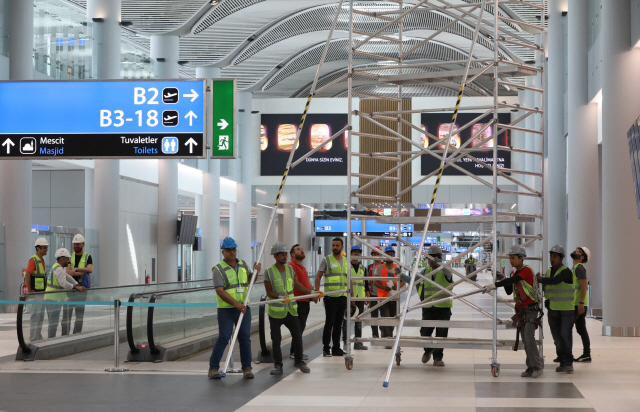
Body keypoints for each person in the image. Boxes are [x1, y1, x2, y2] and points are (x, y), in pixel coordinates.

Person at [485, 245, 543, 378]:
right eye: (510, 258)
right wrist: (502, 279)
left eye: (513, 258)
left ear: (521, 259)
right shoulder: (514, 273)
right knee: (525, 340)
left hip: (530, 310)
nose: (511, 260)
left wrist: (496, 284)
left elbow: (514, 280)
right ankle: (530, 367)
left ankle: (537, 366)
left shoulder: (527, 270)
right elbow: (509, 291)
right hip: (521, 311)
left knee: (529, 338)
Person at [208, 237, 261, 380]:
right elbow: (220, 291)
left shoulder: (243, 265)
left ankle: (247, 368)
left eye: (234, 249)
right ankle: (213, 368)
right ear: (223, 252)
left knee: (245, 338)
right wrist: (236, 304)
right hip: (226, 309)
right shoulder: (218, 269)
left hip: (244, 308)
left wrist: (255, 273)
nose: (232, 252)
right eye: (229, 250)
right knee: (224, 338)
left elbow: (250, 283)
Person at [264, 242, 310, 375]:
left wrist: (311, 292)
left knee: (297, 336)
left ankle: (299, 360)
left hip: (291, 310)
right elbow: (269, 292)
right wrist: (279, 296)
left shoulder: (290, 269)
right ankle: (278, 365)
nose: (284, 257)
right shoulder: (269, 272)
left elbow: (297, 285)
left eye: (285, 254)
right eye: (281, 254)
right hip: (276, 312)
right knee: (276, 339)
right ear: (275, 256)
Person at [536, 244, 575, 373]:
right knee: (557, 338)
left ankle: (568, 362)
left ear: (561, 258)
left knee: (565, 335)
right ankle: (562, 361)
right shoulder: (548, 272)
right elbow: (547, 289)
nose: (552, 259)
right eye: (551, 256)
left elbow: (556, 281)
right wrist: (547, 300)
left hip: (566, 311)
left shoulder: (566, 271)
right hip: (553, 310)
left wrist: (541, 279)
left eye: (554, 257)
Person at [417, 245, 452, 366]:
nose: (430, 260)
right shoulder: (425, 271)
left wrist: (439, 263)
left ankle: (438, 358)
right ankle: (428, 350)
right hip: (428, 308)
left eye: (433, 258)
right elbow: (413, 280)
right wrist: (400, 275)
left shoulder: (446, 269)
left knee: (441, 334)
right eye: (428, 258)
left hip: (443, 308)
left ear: (440, 257)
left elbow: (448, 274)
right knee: (424, 332)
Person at [315, 237, 347, 357]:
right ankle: (326, 348)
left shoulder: (345, 261)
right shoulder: (326, 259)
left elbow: (348, 279)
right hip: (330, 297)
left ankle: (336, 348)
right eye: (333, 245)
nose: (334, 247)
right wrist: (317, 291)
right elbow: (318, 276)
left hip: (343, 296)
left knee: (339, 323)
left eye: (337, 245)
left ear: (342, 247)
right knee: (329, 323)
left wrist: (351, 296)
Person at [44, 248, 86, 338]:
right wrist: (76, 287)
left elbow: (68, 277)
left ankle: (51, 340)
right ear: (62, 259)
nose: (69, 261)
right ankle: (51, 341)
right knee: (53, 322)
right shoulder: (58, 269)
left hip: (52, 298)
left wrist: (77, 284)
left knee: (53, 321)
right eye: (67, 259)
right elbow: (64, 283)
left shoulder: (57, 267)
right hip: (53, 299)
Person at [288, 243, 318, 361]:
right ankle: (296, 353)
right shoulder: (291, 266)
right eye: (298, 250)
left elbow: (306, 283)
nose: (302, 251)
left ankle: (294, 351)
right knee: (298, 328)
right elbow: (296, 284)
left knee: (300, 328)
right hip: (298, 301)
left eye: (302, 249)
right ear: (293, 254)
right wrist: (311, 293)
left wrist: (314, 292)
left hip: (305, 301)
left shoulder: (302, 267)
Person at [373, 245, 404, 348]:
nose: (390, 256)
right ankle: (388, 340)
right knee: (386, 318)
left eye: (392, 254)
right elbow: (375, 282)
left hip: (395, 298)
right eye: (388, 254)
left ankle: (386, 333)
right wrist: (383, 287)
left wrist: (397, 286)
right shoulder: (379, 267)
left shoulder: (397, 268)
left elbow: (403, 281)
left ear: (394, 255)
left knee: (393, 319)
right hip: (384, 297)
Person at [64, 234, 93, 334]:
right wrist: (81, 272)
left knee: (79, 314)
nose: (76, 246)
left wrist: (76, 269)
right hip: (71, 289)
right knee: (67, 313)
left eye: (78, 244)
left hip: (82, 290)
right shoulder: (70, 257)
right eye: (74, 244)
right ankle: (65, 335)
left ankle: (76, 334)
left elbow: (90, 269)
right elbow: (68, 272)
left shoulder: (87, 257)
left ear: (83, 244)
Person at [343, 245, 369, 350]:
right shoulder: (346, 266)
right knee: (346, 321)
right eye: (354, 252)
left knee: (359, 321)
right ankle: (345, 342)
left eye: (358, 252)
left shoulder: (363, 268)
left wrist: (367, 298)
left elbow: (366, 284)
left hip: (360, 298)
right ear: (350, 254)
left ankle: (358, 342)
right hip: (348, 297)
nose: (356, 254)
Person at [25, 237, 49, 341]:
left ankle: (38, 336)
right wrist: (30, 291)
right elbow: (27, 275)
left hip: (42, 294)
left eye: (46, 247)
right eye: (44, 248)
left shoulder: (41, 260)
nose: (46, 249)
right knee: (35, 316)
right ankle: (33, 338)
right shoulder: (33, 260)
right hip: (36, 294)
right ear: (38, 248)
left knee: (40, 317)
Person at [571, 246, 592, 362]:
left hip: (578, 304)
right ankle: (586, 354)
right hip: (577, 303)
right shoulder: (575, 268)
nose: (575, 251)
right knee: (581, 329)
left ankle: (566, 355)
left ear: (582, 257)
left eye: (578, 251)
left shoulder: (579, 268)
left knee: (568, 328)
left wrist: (581, 303)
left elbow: (584, 286)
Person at [366, 247, 383, 338]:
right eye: (374, 254)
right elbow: (366, 283)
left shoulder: (384, 267)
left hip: (383, 295)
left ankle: (383, 330)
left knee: (384, 315)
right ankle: (375, 334)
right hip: (372, 295)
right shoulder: (369, 268)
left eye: (377, 254)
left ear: (381, 255)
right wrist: (367, 297)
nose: (376, 256)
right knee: (374, 316)